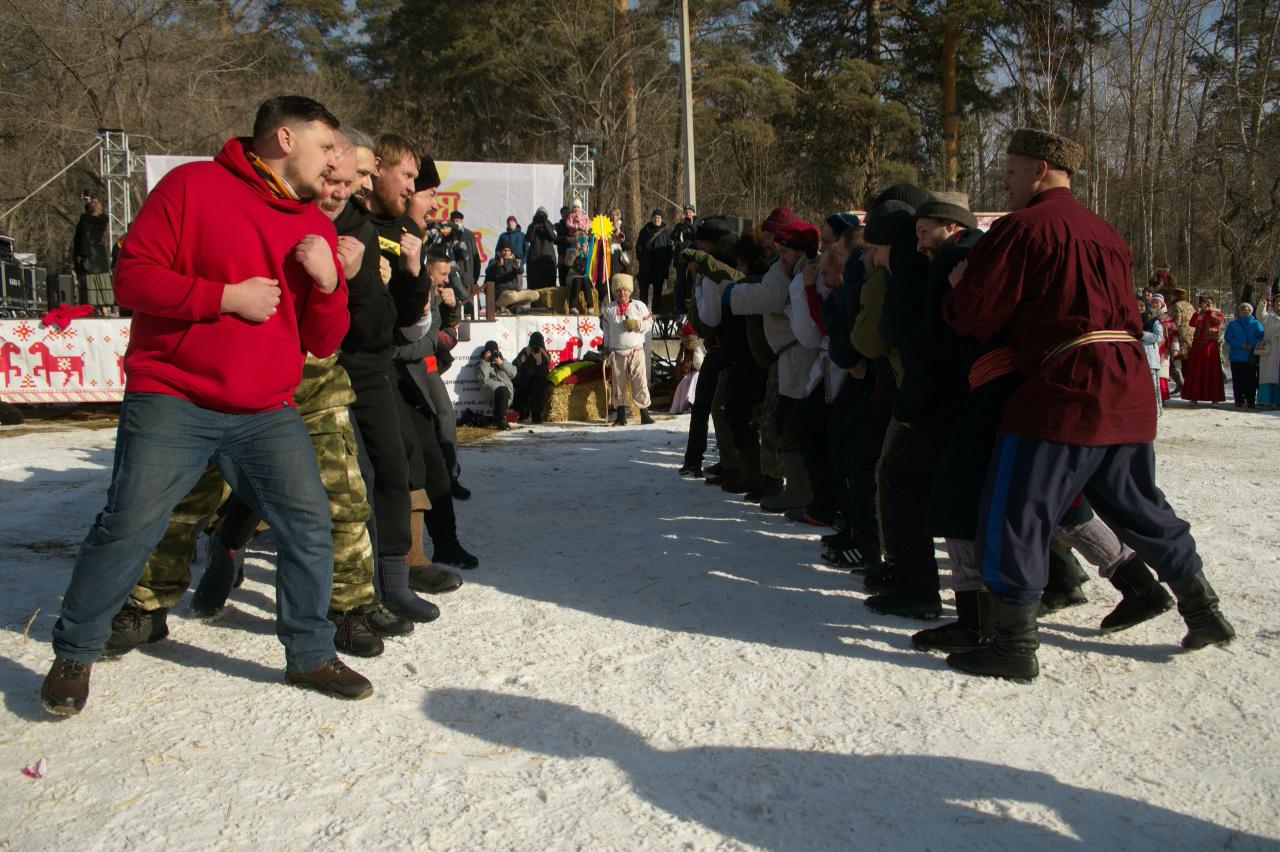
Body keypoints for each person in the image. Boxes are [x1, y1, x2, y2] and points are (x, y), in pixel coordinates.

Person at [39, 96, 373, 716]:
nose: (335, 163)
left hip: (265, 409)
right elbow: (132, 278)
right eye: (326, 147)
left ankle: (309, 653)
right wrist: (225, 297)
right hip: (173, 396)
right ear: (284, 139)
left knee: (309, 524)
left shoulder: (315, 224)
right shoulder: (191, 186)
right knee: (128, 524)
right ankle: (74, 653)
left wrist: (330, 285)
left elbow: (322, 341)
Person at [942, 127, 1234, 682]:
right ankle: (1204, 610)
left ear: (1039, 169)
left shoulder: (1024, 228)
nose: (1005, 184)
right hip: (1127, 382)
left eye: (1010, 172)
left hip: (1066, 387)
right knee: (1137, 502)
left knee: (1017, 508)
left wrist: (958, 284)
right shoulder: (1107, 232)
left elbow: (975, 314)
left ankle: (1013, 645)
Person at [601, 273, 655, 425]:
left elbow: (649, 324)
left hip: (636, 350)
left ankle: (645, 415)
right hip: (617, 353)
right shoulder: (609, 309)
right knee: (618, 384)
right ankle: (621, 417)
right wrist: (606, 347)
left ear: (629, 291)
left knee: (640, 382)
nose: (621, 293)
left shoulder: (639, 306)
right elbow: (606, 331)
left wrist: (637, 325)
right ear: (614, 292)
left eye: (624, 290)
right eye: (618, 290)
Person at [73, 198, 114, 310]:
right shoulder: (101, 220)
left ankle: (94, 305)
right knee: (99, 281)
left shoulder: (85, 221)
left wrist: (80, 255)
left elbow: (81, 239)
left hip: (90, 255)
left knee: (92, 282)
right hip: (97, 255)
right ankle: (104, 304)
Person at [1183, 296, 1225, 404]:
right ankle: (1194, 397)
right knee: (1196, 370)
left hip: (1210, 346)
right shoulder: (1199, 314)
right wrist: (1197, 313)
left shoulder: (1217, 313)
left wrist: (1211, 312)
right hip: (1198, 346)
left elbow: (1217, 322)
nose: (1206, 305)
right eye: (1204, 303)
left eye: (1209, 303)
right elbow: (1192, 323)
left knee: (1212, 370)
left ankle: (1214, 398)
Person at [1224, 302, 1265, 408]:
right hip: (1236, 356)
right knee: (1237, 380)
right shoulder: (1233, 324)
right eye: (1242, 310)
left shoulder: (1256, 324)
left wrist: (1252, 344)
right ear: (1239, 311)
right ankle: (1238, 400)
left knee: (1251, 380)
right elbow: (1228, 337)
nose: (1244, 311)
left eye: (1247, 310)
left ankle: (1251, 400)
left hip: (1250, 357)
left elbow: (1261, 336)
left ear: (1251, 311)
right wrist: (1241, 344)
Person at [636, 209, 674, 313]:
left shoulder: (666, 232)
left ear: (661, 219)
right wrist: (642, 259)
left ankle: (656, 314)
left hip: (659, 267)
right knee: (643, 293)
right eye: (655, 217)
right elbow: (638, 246)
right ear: (652, 218)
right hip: (646, 267)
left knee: (657, 293)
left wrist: (666, 264)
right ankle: (643, 313)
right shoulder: (644, 230)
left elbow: (669, 250)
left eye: (659, 218)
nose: (657, 220)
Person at [485, 245, 538, 314]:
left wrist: (518, 266)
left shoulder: (513, 261)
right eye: (504, 250)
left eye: (508, 251)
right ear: (500, 252)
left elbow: (521, 271)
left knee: (535, 294)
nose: (506, 252)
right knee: (512, 296)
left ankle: (512, 306)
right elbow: (497, 272)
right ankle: (504, 305)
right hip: (501, 293)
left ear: (511, 253)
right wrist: (502, 263)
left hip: (515, 292)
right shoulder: (494, 261)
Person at [513, 331, 550, 423]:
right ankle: (521, 412)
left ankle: (536, 414)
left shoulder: (545, 354)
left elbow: (544, 374)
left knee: (540, 384)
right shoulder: (525, 351)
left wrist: (539, 360)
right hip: (525, 380)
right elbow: (515, 366)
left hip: (537, 381)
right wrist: (524, 356)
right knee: (520, 381)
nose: (535, 347)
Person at [478, 341, 517, 428]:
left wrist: (502, 363)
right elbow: (483, 380)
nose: (492, 355)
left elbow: (513, 373)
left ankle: (499, 418)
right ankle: (501, 420)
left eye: (494, 352)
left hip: (507, 391)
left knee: (506, 390)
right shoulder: (482, 363)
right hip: (493, 390)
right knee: (503, 390)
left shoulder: (501, 360)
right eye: (490, 352)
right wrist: (486, 361)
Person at [670, 204, 698, 315]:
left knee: (693, 282)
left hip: (693, 259)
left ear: (694, 213)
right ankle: (680, 309)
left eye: (690, 212)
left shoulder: (697, 224)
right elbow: (672, 237)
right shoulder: (679, 226)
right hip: (681, 259)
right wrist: (680, 227)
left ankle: (694, 308)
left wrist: (691, 225)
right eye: (686, 212)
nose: (688, 214)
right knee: (680, 283)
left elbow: (697, 237)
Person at [525, 207, 559, 289]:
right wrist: (534, 226)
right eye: (539, 214)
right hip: (534, 259)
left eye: (543, 215)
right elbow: (529, 239)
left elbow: (554, 238)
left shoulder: (550, 225)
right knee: (534, 285)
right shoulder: (532, 225)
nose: (540, 217)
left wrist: (545, 223)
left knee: (548, 286)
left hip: (547, 259)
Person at [1258, 294, 1280, 407]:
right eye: (1277, 301)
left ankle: (1278, 401)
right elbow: (1260, 316)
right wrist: (1263, 302)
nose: (1279, 304)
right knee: (1269, 375)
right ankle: (1265, 400)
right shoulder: (1268, 316)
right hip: (1271, 349)